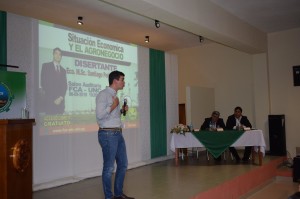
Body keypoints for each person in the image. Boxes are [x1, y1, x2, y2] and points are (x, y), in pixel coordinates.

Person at [95, 70, 134, 199]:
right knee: (109, 167)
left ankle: (118, 194)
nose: (124, 82)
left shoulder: (115, 96)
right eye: (122, 79)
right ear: (115, 81)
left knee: (123, 164)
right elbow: (100, 116)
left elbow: (113, 116)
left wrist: (122, 110)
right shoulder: (103, 95)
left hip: (117, 133)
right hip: (107, 134)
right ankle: (108, 196)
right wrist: (113, 106)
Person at [41, 47, 67, 114]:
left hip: (60, 104)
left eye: (59, 54)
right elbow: (43, 83)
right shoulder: (46, 66)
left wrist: (60, 98)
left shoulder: (63, 70)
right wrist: (54, 99)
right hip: (49, 103)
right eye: (56, 53)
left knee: (61, 124)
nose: (58, 56)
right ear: (53, 55)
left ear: (61, 57)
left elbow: (65, 86)